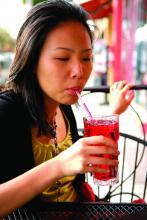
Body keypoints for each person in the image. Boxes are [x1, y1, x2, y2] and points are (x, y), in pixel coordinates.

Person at [0, 0, 135, 218]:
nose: (79, 71)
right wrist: (60, 165)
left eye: (86, 57)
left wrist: (113, 113)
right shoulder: (8, 113)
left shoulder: (63, 107)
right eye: (63, 58)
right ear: (32, 60)